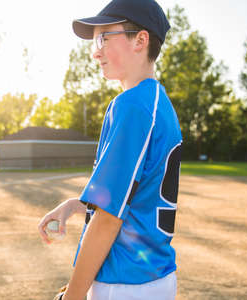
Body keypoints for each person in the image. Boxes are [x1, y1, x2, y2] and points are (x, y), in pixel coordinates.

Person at [37, 0, 182, 299]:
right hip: (148, 279)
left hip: (126, 284)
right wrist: (76, 204)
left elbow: (108, 219)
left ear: (140, 40)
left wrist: (73, 295)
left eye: (104, 37)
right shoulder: (155, 101)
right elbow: (131, 197)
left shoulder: (133, 106)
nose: (95, 51)